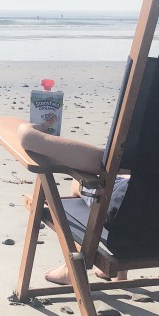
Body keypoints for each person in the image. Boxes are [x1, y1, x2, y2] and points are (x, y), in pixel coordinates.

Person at [16, 121, 129, 285]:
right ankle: (120, 271)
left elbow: (105, 163)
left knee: (79, 184)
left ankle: (71, 269)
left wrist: (27, 130)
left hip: (127, 217)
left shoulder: (142, 148)